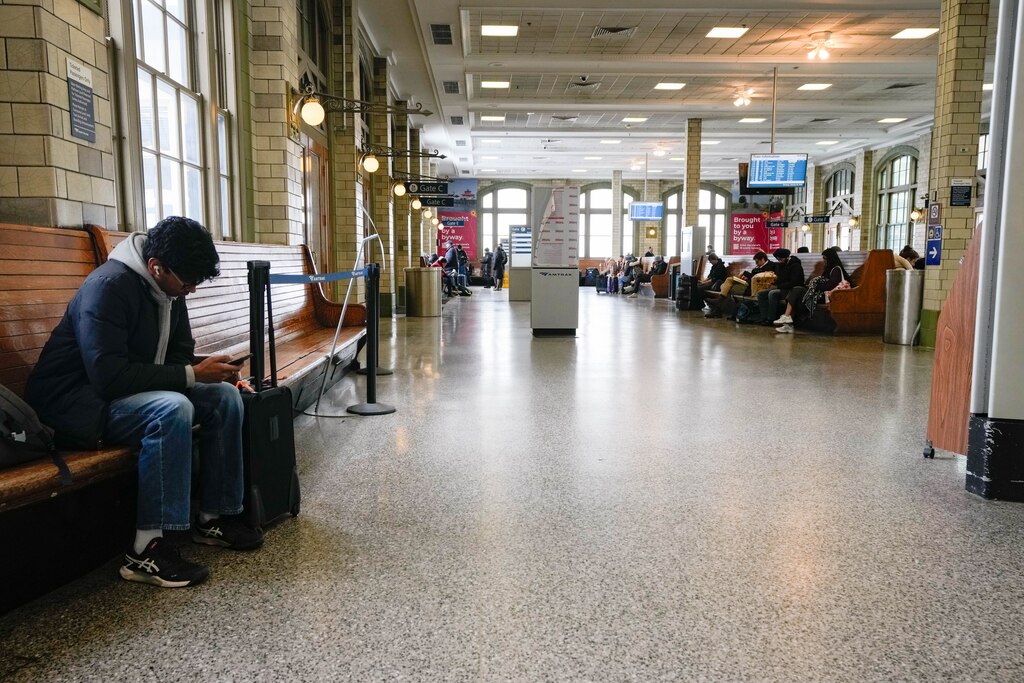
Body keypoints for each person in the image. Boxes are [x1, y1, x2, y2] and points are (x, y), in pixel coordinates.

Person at [25, 216, 263, 589]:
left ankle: (213, 518)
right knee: (172, 409)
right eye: (188, 283)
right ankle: (146, 551)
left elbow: (179, 354)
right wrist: (191, 374)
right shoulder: (108, 287)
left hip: (126, 392)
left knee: (224, 397)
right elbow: (109, 377)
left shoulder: (169, 290)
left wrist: (209, 371)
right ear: (157, 267)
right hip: (75, 403)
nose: (192, 291)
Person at [773, 246, 850, 333]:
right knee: (796, 292)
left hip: (825, 295)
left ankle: (787, 319)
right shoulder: (828, 269)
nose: (824, 260)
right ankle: (787, 321)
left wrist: (815, 286)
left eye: (825, 258)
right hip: (820, 293)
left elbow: (829, 286)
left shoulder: (835, 269)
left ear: (830, 258)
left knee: (797, 291)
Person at [707, 250, 774, 319]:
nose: (756, 263)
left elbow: (757, 278)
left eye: (757, 261)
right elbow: (753, 275)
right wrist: (745, 276)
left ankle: (719, 306)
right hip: (747, 283)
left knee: (727, 287)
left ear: (763, 259)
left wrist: (746, 273)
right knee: (728, 283)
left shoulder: (769, 267)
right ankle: (721, 305)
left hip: (751, 287)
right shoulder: (758, 267)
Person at [756, 248, 804, 326]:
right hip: (782, 288)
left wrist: (777, 286)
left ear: (786, 257)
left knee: (772, 293)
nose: (779, 261)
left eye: (780, 259)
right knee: (761, 294)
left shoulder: (795, 266)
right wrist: (773, 283)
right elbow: (779, 278)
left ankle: (770, 319)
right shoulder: (780, 265)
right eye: (778, 259)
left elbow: (795, 282)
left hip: (790, 290)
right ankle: (763, 317)